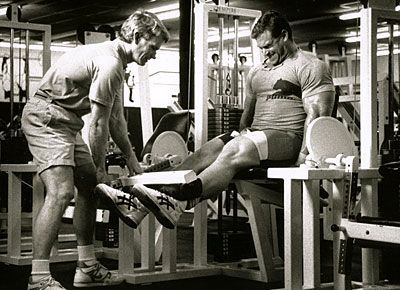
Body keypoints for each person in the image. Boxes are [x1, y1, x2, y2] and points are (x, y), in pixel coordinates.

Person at [96, 10, 335, 230]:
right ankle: (146, 202)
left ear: (284, 36)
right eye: (261, 48)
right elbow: (247, 117)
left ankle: (182, 200)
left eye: (269, 46)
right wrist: (241, 133)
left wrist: (303, 161)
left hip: (288, 138)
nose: (264, 53)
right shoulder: (256, 71)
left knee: (235, 149)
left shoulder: (310, 66)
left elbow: (317, 119)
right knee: (203, 153)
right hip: (257, 136)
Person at [21, 10, 169, 290]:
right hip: (46, 117)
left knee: (89, 188)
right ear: (138, 37)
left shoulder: (118, 66)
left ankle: (86, 266)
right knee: (62, 191)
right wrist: (101, 169)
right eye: (153, 47)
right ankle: (38, 277)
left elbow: (116, 120)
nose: (154, 55)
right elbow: (98, 125)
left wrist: (135, 165)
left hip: (66, 121)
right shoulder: (110, 63)